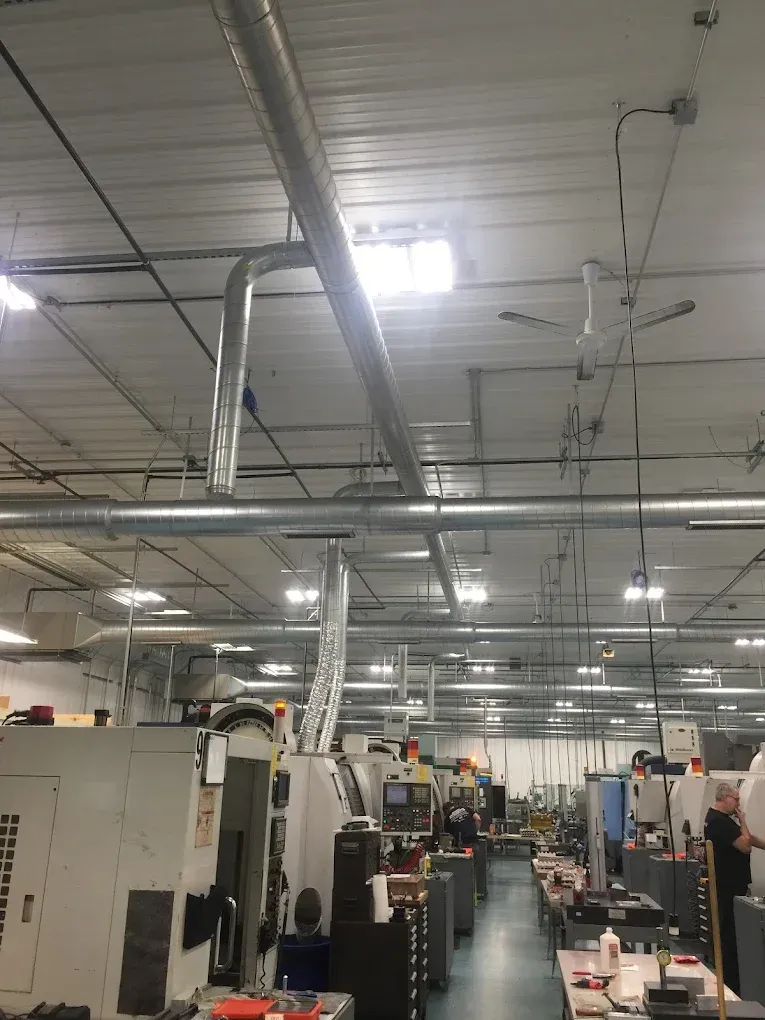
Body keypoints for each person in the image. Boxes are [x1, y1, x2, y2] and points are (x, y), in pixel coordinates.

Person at [704, 781, 765, 994]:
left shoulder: (722, 820)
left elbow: (748, 838)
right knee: (730, 938)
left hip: (733, 886)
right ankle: (732, 986)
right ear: (725, 798)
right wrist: (743, 819)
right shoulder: (718, 822)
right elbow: (746, 845)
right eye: (736, 800)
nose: (739, 805)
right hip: (728, 888)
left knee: (733, 935)